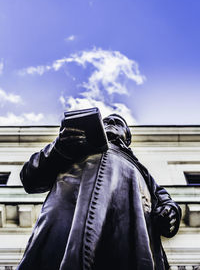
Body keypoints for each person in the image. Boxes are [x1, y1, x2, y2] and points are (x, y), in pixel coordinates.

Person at [17, 113, 181, 270]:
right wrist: (59, 146)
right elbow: (30, 177)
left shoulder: (141, 170)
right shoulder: (71, 146)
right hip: (69, 213)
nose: (110, 123)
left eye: (117, 123)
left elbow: (164, 200)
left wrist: (171, 212)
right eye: (106, 121)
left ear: (126, 138)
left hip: (129, 224)